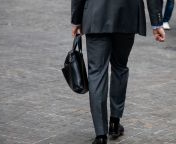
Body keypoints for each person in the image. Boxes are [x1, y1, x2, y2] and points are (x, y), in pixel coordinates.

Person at [71, 0, 165, 143]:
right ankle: (114, 122)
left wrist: (77, 19)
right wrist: (157, 23)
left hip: (97, 13)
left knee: (96, 73)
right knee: (120, 67)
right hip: (127, 14)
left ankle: (100, 134)